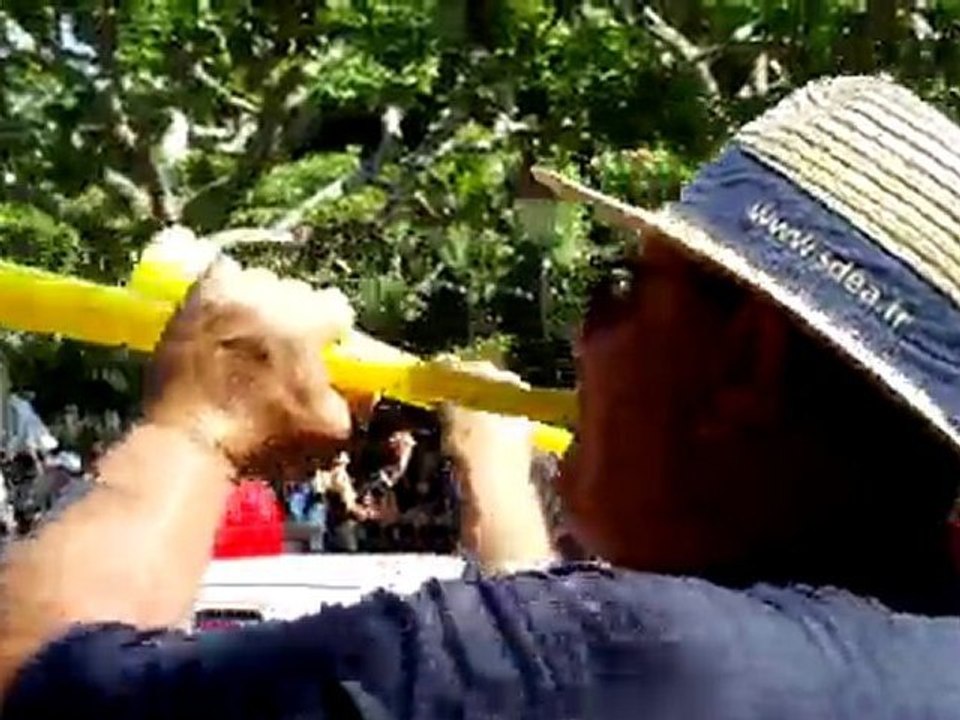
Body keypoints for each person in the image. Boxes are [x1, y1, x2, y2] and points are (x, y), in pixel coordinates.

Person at [5, 75, 960, 719]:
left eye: (621, 290)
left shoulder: (583, 662)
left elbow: (31, 688)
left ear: (746, 361)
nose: (585, 336)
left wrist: (198, 429)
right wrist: (498, 483)